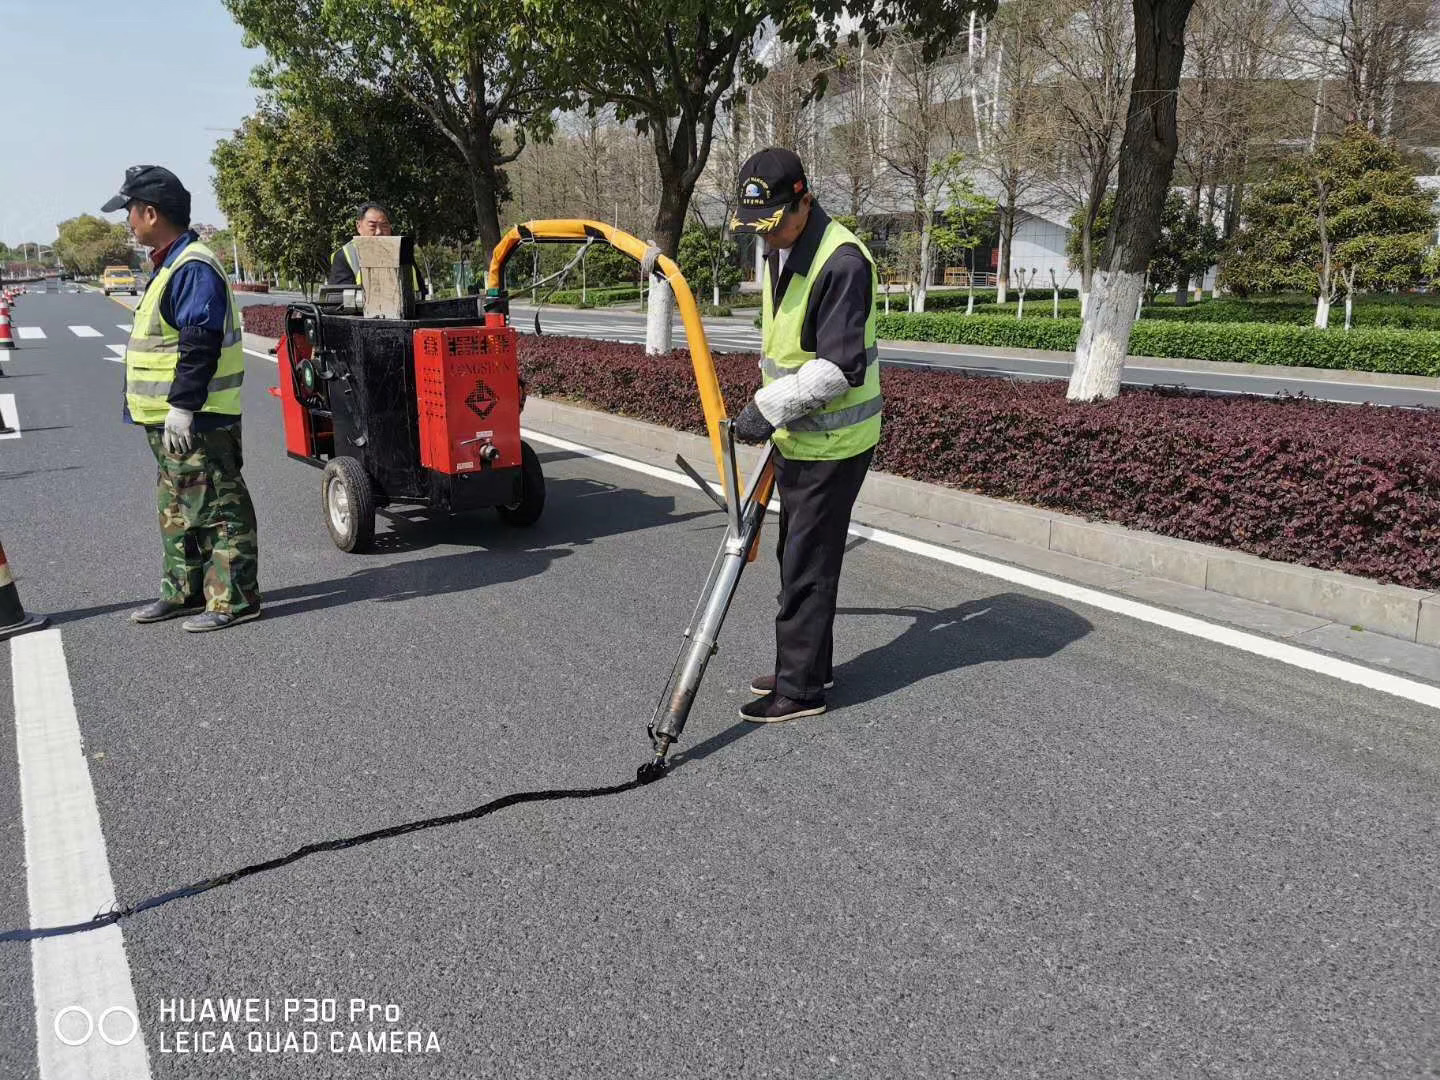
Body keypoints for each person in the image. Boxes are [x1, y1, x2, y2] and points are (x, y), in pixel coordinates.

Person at [727, 147, 882, 724]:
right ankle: (807, 666)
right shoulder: (783, 247)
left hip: (835, 444)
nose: (767, 239)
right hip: (799, 434)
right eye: (758, 229)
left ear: (805, 201)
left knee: (808, 562)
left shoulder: (842, 262)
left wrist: (767, 407)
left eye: (776, 225)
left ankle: (800, 691)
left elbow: (840, 367)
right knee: (798, 559)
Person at [102, 165, 261, 632]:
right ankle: (186, 590)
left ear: (150, 213)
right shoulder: (170, 264)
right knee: (177, 508)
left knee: (217, 509)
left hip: (200, 419)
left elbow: (199, 344)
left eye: (130, 212)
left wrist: (184, 406)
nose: (127, 222)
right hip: (168, 421)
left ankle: (235, 598)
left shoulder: (192, 267)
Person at [327, 201, 426, 297]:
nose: (379, 232)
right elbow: (340, 302)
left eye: (384, 226)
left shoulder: (403, 251)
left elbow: (421, 292)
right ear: (359, 226)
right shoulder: (346, 255)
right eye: (372, 226)